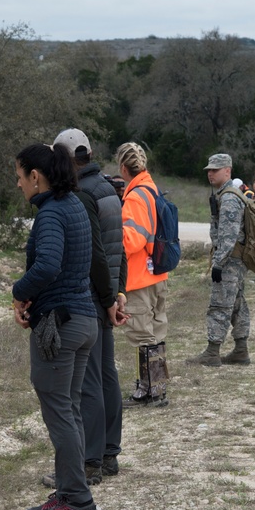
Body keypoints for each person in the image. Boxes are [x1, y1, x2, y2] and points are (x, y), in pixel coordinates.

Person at [12, 143, 103, 510]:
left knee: (60, 414)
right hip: (84, 322)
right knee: (71, 411)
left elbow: (48, 265)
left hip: (60, 328)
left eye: (19, 177)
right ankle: (69, 489)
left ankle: (78, 500)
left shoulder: (50, 214)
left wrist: (18, 292)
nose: (18, 185)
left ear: (36, 176)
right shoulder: (75, 206)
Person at [44, 128, 128, 486]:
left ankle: (90, 460)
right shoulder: (108, 188)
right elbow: (117, 248)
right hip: (107, 293)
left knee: (89, 382)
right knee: (106, 375)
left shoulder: (82, 194)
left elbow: (94, 253)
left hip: (93, 297)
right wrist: (119, 292)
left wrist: (108, 300)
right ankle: (109, 452)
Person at [116, 142, 170, 407]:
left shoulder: (136, 195)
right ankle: (157, 388)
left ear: (123, 168)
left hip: (139, 277)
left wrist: (113, 235)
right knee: (156, 332)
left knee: (143, 334)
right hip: (157, 273)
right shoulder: (152, 188)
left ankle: (149, 392)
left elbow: (133, 239)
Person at [187, 153, 251, 366]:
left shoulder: (230, 198)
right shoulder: (227, 194)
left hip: (229, 261)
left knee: (220, 305)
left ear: (228, 170)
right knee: (237, 304)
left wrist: (218, 262)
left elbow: (228, 235)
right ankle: (241, 350)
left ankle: (212, 352)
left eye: (215, 169)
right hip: (235, 260)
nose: (210, 173)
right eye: (209, 170)